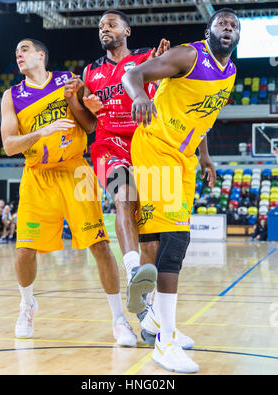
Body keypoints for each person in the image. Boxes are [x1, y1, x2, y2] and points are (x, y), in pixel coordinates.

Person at [122, 8, 240, 373]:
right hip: (157, 144)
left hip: (184, 156)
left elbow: (202, 117)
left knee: (157, 240)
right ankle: (165, 342)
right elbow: (133, 73)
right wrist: (140, 96)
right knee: (176, 242)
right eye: (221, 22)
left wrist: (205, 156)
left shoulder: (230, 73)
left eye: (234, 25)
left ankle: (156, 319)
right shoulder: (190, 55)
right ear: (209, 30)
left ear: (238, 37)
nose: (228, 27)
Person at [0, 38, 137, 347]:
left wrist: (85, 103)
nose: (18, 54)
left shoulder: (68, 81)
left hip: (75, 171)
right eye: (16, 51)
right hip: (37, 176)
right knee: (24, 250)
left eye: (24, 49)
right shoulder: (12, 96)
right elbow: (9, 146)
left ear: (40, 54)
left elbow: (90, 126)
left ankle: (118, 319)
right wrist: (40, 132)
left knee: (100, 245)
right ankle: (27, 305)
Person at [64, 9, 170, 316]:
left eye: (111, 25)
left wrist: (162, 63)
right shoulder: (90, 71)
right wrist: (81, 103)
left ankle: (147, 311)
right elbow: (86, 124)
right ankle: (133, 270)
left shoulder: (146, 57)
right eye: (100, 27)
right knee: (124, 197)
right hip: (109, 145)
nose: (103, 30)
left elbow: (168, 89)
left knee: (151, 233)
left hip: (146, 144)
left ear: (126, 31)